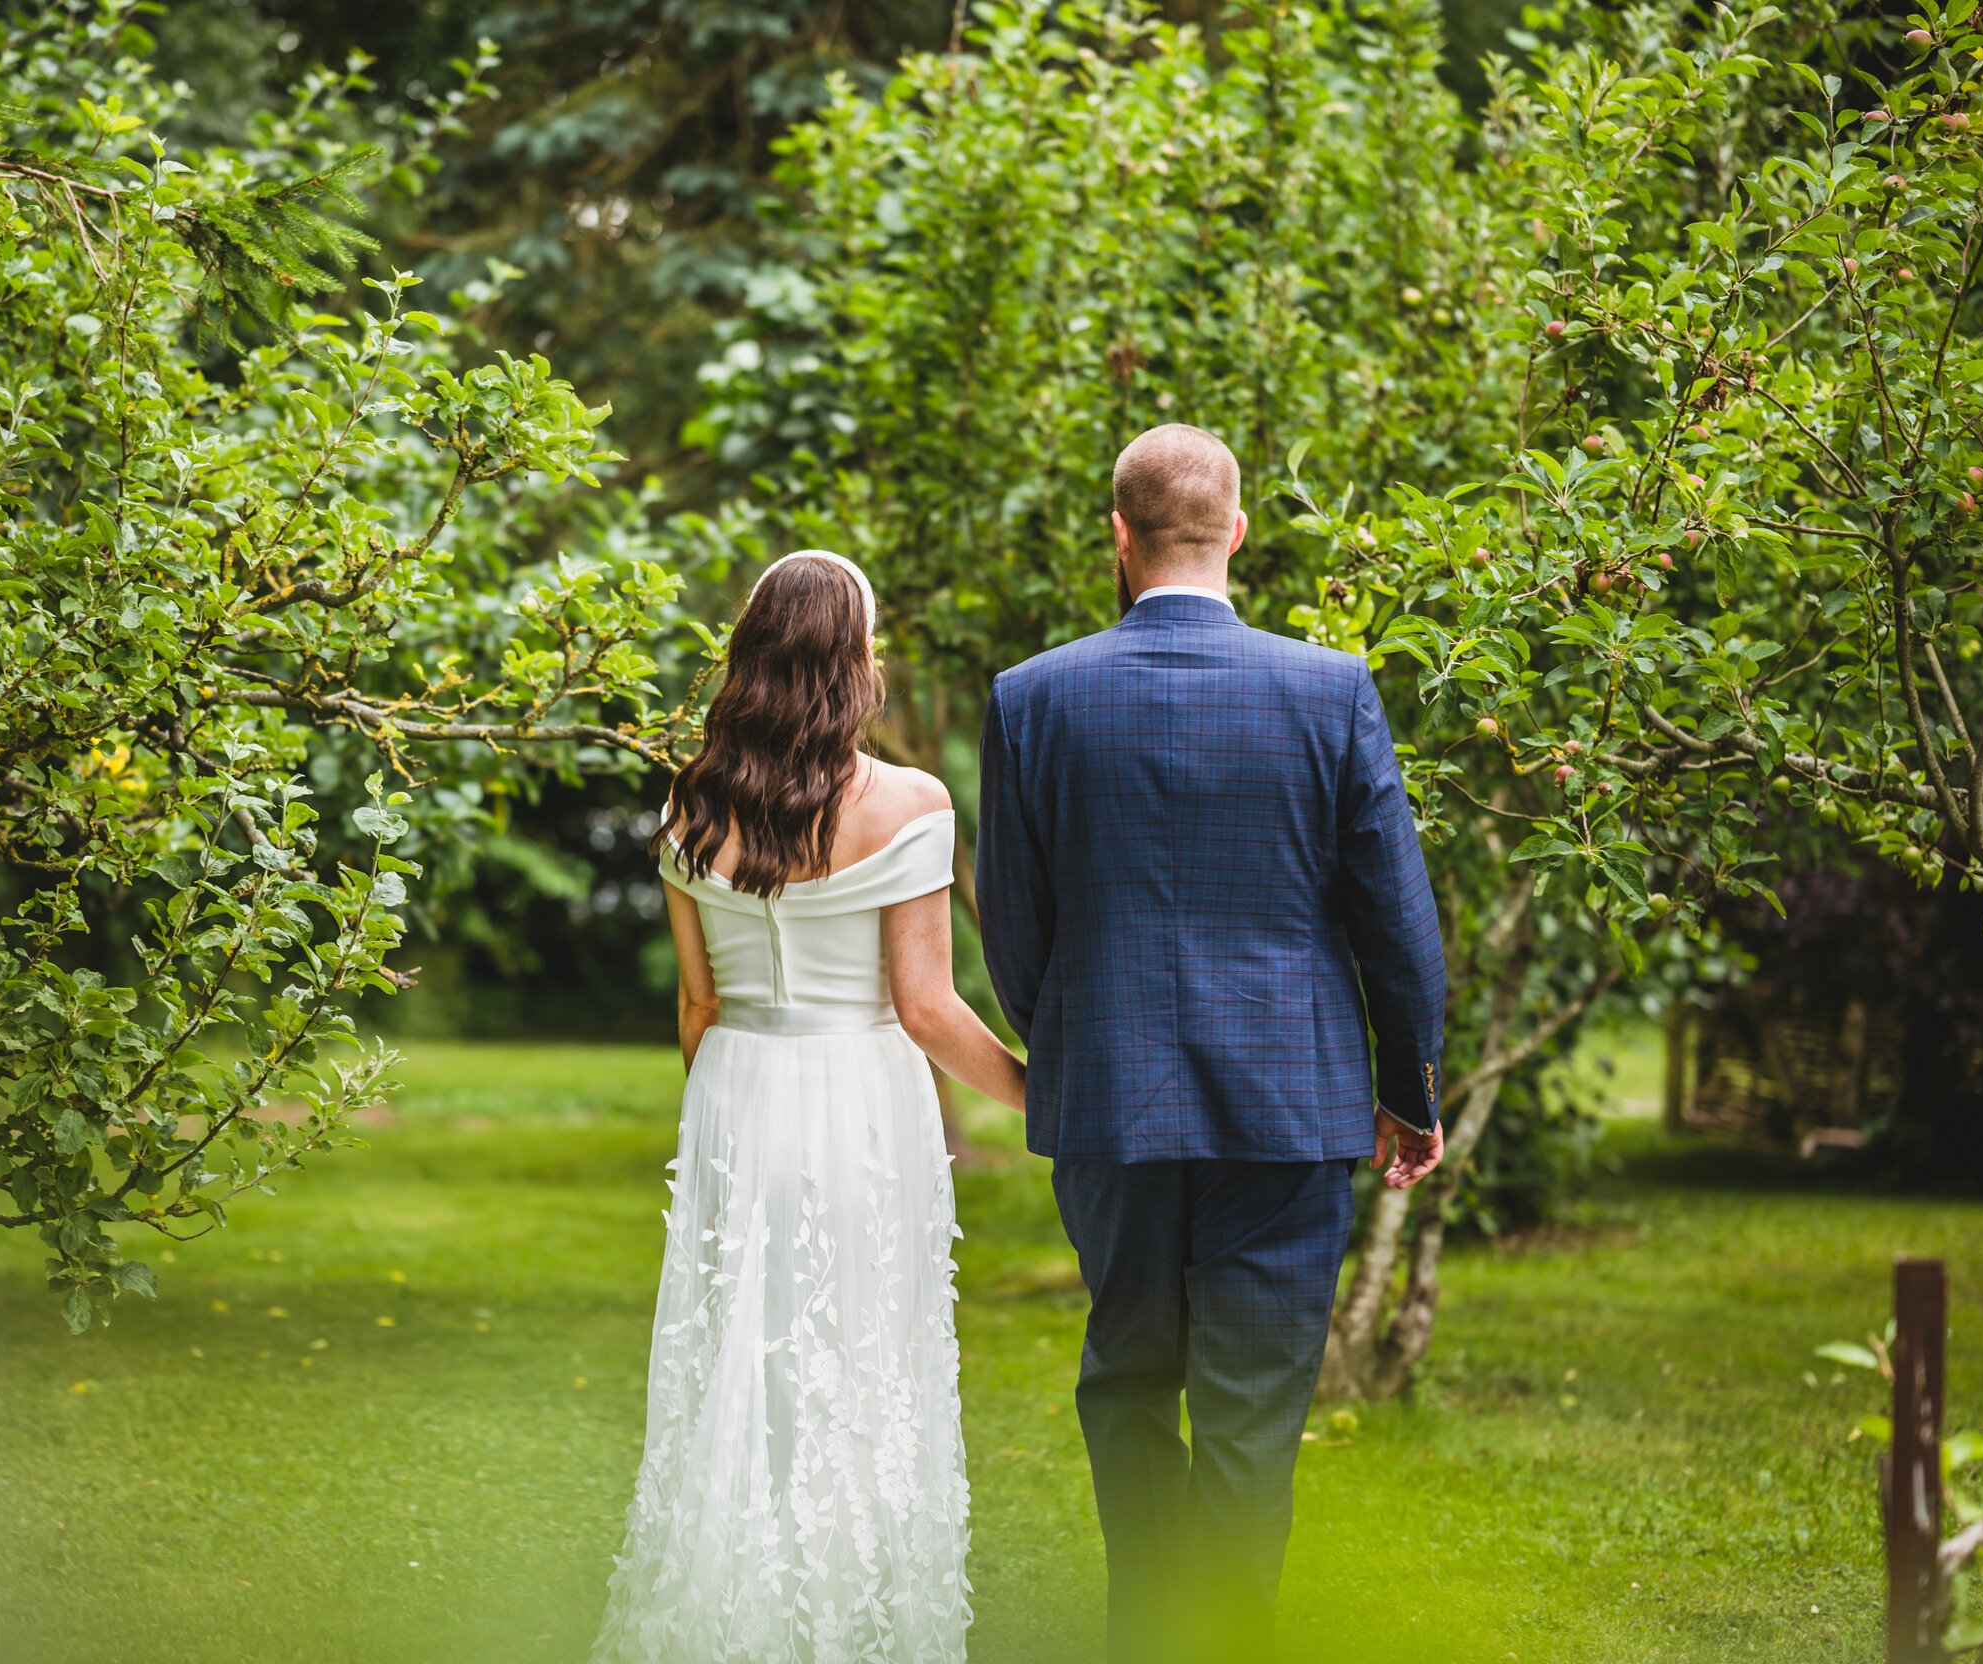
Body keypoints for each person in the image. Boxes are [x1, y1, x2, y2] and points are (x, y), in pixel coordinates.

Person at [975, 424, 1450, 1661]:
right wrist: (1411, 1087)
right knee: (1251, 1412)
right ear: (1238, 531)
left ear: (1119, 540)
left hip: (1112, 1105)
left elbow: (1015, 927)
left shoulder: (1031, 697)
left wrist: (1075, 1043)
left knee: (1127, 1378)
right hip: (1288, 1108)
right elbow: (1395, 919)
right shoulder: (1330, 687)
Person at [593, 550, 1026, 1664]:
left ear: (752, 657)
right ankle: (844, 1623)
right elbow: (926, 1008)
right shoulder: (909, 801)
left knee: (747, 1358)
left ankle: (735, 1618)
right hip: (860, 1102)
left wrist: (728, 1112)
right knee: (858, 1360)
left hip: (737, 1090)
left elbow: (697, 1003)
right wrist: (1037, 1092)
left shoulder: (691, 802)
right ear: (857, 660)